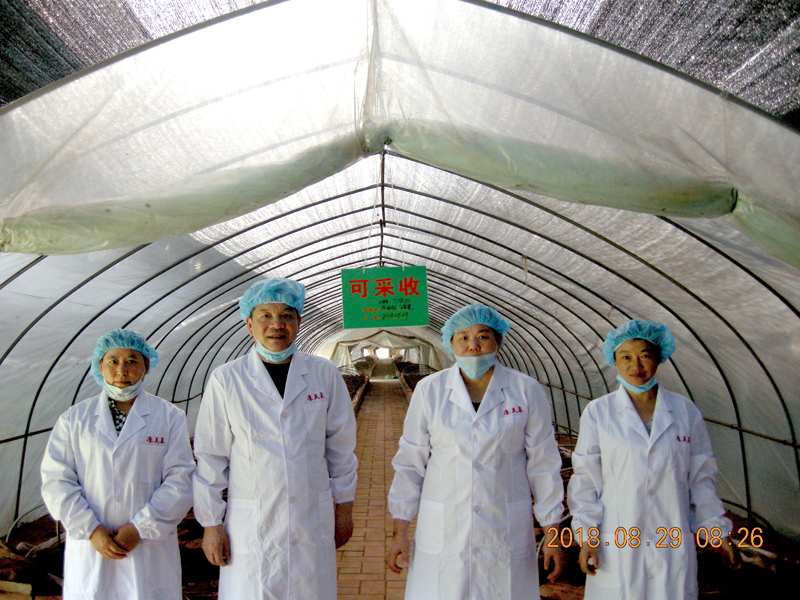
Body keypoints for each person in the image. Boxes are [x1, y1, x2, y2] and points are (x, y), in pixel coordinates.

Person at [192, 277, 358, 600]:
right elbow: (210, 457)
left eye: (286, 315)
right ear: (249, 324)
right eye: (265, 316)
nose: (276, 325)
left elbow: (341, 449)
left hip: (310, 517)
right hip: (253, 523)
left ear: (298, 322)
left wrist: (345, 509)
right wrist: (211, 524)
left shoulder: (323, 374)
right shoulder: (227, 379)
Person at [386, 303, 565, 600]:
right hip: (444, 527)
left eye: (483, 336)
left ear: (499, 341)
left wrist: (554, 534)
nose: (473, 346)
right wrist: (400, 531)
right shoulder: (430, 390)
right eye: (463, 338)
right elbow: (410, 463)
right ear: (450, 343)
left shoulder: (525, 390)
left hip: (503, 525)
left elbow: (544, 464)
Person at [567, 319, 738, 600]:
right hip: (617, 541)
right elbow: (586, 478)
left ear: (659, 358)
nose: (636, 365)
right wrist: (587, 536)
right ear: (614, 361)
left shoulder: (685, 411)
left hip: (671, 540)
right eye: (626, 357)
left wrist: (715, 530)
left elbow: (700, 477)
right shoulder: (599, 412)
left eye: (645, 355)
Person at [41, 329, 195, 600]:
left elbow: (180, 479)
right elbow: (57, 480)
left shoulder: (169, 417)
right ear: (100, 365)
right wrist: (91, 529)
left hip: (148, 546)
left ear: (146, 366)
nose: (122, 370)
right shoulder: (74, 419)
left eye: (132, 361)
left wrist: (140, 528)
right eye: (113, 361)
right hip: (92, 546)